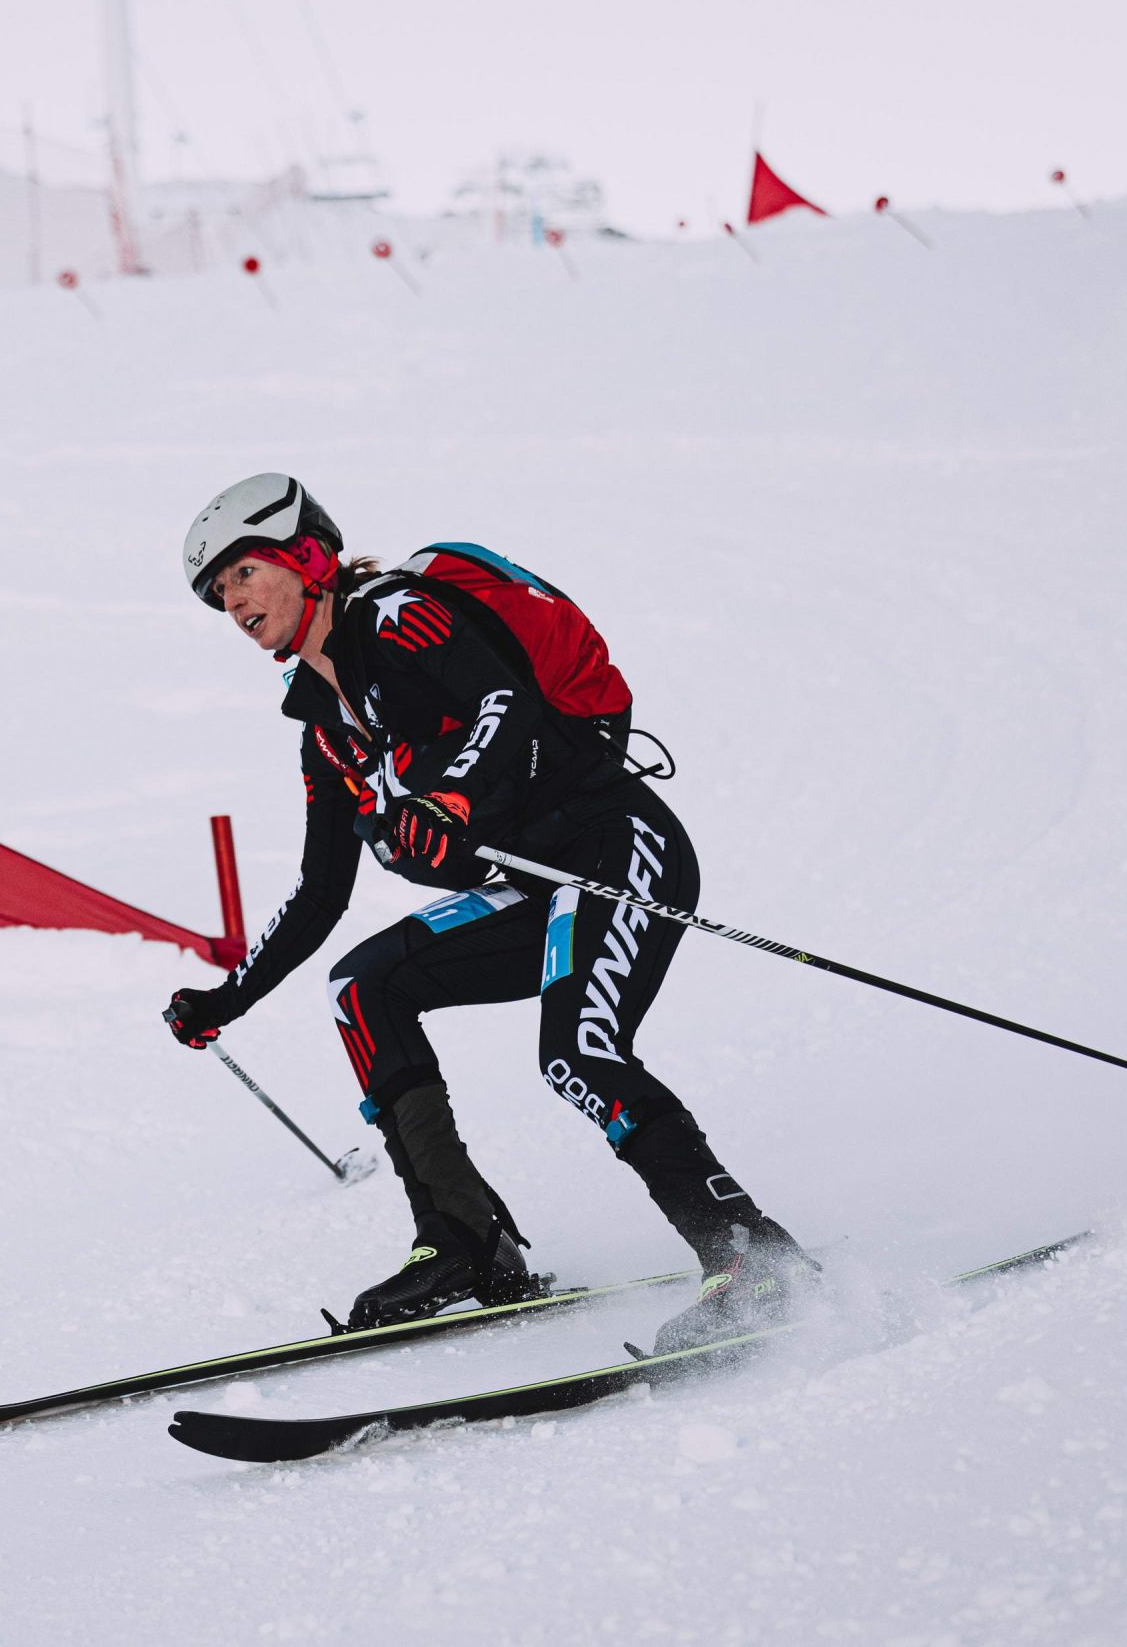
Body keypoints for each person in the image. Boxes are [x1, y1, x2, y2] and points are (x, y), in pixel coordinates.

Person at [162, 472, 815, 1353]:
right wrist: (225, 1000)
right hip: (540, 885)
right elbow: (323, 891)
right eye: (216, 593)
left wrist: (452, 801)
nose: (230, 601)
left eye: (242, 572)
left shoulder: (395, 613)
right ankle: (468, 1242)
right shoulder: (325, 729)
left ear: (305, 555)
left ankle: (751, 1253)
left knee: (577, 1049)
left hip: (616, 847)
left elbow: (498, 700)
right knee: (364, 987)